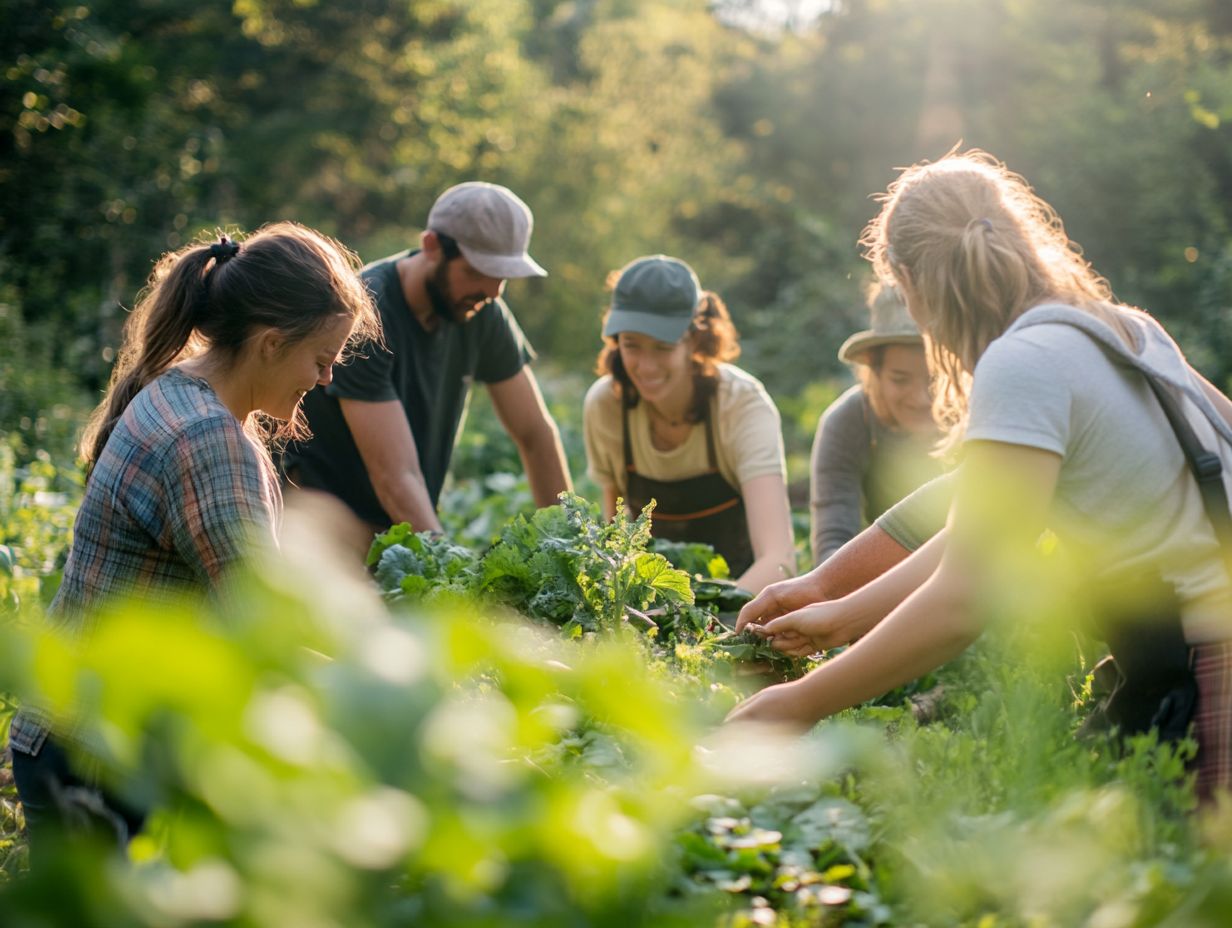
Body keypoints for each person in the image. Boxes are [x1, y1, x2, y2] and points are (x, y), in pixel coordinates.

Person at [729, 150, 1232, 801]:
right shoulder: (1127, 329)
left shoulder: (1023, 363)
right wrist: (839, 615)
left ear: (909, 283)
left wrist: (794, 706)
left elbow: (963, 598)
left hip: (1205, 666)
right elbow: (981, 533)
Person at [9, 223, 381, 857]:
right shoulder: (206, 439)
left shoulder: (177, 393)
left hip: (73, 739)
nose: (324, 381)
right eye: (321, 360)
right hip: (97, 762)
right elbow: (264, 631)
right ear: (268, 344)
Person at [282, 182, 571, 545]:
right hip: (326, 532)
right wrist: (446, 567)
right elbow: (396, 476)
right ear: (432, 246)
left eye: (502, 277)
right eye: (478, 271)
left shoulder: (480, 307)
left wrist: (571, 544)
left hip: (401, 531)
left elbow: (535, 434)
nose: (493, 291)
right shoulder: (367, 313)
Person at [583, 255, 795, 593]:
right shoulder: (606, 407)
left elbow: (779, 560)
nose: (646, 366)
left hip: (742, 600)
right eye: (631, 345)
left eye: (662, 347)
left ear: (695, 340)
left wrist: (698, 619)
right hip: (647, 607)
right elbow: (616, 541)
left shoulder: (741, 404)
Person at [810, 281, 941, 565]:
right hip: (880, 579)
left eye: (933, 379)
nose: (920, 398)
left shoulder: (977, 419)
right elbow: (833, 537)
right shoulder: (849, 422)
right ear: (874, 368)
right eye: (900, 379)